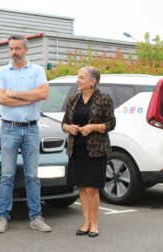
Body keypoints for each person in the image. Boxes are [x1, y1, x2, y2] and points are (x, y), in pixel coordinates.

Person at [0, 35, 51, 233]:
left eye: (17, 48)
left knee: (32, 175)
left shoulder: (37, 70)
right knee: (6, 175)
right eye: (11, 48)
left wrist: (14, 94)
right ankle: (2, 217)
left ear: (26, 50)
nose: (14, 52)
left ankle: (35, 217)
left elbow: (42, 94)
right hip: (9, 128)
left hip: (31, 128)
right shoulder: (2, 71)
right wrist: (29, 97)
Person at [61, 66, 115, 238]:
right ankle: (86, 223)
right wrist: (68, 128)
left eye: (81, 77)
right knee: (82, 188)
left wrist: (93, 127)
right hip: (76, 149)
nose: (78, 80)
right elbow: (64, 123)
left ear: (93, 81)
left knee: (93, 188)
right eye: (78, 76)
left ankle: (95, 224)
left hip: (96, 150)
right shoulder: (73, 99)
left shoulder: (104, 99)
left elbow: (111, 124)